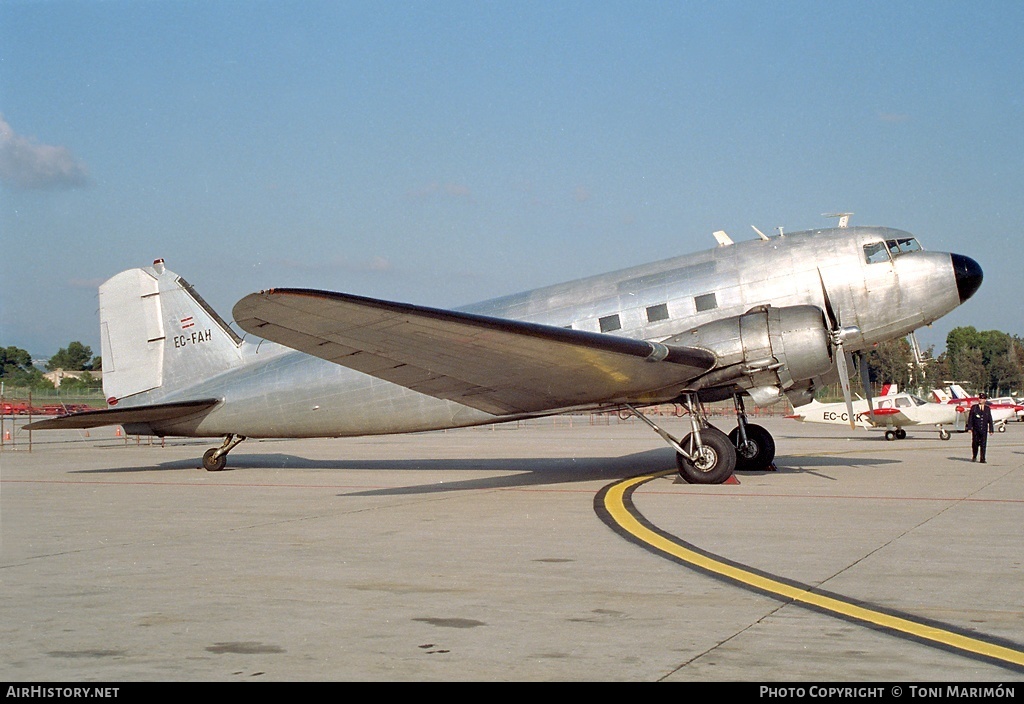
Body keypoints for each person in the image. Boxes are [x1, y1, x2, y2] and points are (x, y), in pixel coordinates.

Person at [966, 393, 995, 463]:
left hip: (984, 429)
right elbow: (970, 418)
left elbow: (990, 419)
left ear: (985, 400)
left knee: (983, 444)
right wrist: (969, 427)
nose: (980, 400)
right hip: (976, 429)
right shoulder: (974, 408)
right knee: (975, 443)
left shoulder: (987, 408)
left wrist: (991, 429)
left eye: (982, 399)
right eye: (979, 398)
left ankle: (983, 458)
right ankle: (974, 456)